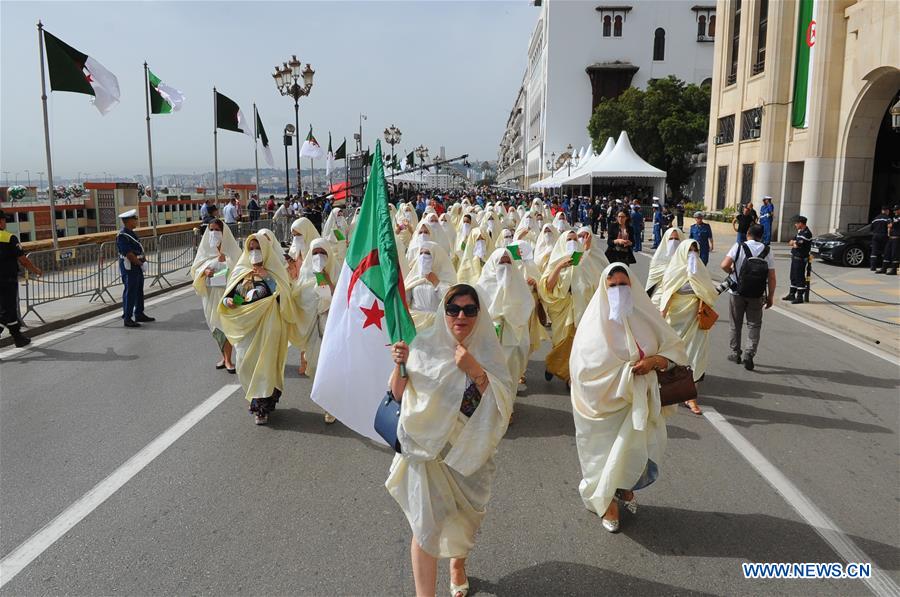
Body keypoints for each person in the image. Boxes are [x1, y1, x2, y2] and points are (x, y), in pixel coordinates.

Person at [385, 284, 513, 597]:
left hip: (470, 456)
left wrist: (476, 371)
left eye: (470, 310)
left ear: (479, 314)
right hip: (426, 455)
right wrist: (399, 364)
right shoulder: (424, 345)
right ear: (444, 312)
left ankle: (458, 564)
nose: (460, 316)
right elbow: (398, 395)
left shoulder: (488, 351)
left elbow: (503, 404)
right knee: (424, 529)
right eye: (453, 309)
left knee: (463, 519)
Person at [569, 263, 688, 533]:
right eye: (613, 286)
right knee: (602, 457)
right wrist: (626, 376)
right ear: (604, 288)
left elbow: (675, 349)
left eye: (624, 285)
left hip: (640, 401)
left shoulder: (647, 317)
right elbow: (583, 371)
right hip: (601, 407)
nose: (619, 291)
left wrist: (655, 361)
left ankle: (622, 487)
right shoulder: (592, 327)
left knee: (634, 452)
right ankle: (606, 502)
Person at [219, 229, 300, 425]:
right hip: (247, 330)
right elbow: (229, 295)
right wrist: (229, 301)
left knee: (264, 368)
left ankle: (261, 407)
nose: (254, 252)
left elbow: (285, 298)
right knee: (246, 366)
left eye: (258, 248)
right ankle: (255, 398)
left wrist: (267, 277)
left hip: (269, 328)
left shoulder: (275, 271)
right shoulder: (241, 271)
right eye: (251, 248)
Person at [658, 240, 718, 414]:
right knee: (674, 359)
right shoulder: (674, 271)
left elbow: (710, 294)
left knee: (695, 358)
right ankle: (668, 391)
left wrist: (701, 290)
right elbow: (667, 294)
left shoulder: (701, 271)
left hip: (696, 322)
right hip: (676, 322)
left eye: (695, 250)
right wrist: (661, 318)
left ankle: (691, 398)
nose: (692, 253)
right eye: (689, 250)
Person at [476, 247, 535, 393]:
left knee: (511, 371)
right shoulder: (482, 286)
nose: (505, 267)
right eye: (501, 263)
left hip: (514, 335)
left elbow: (527, 307)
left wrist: (511, 315)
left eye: (508, 262)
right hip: (489, 335)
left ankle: (508, 402)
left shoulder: (519, 285)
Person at [720, 224, 776, 371]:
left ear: (748, 234)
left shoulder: (739, 246)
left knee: (735, 324)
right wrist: (770, 296)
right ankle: (749, 353)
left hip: (737, 292)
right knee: (754, 325)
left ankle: (735, 352)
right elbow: (772, 277)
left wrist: (732, 271)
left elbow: (724, 265)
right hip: (757, 294)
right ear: (761, 236)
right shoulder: (767, 250)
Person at [190, 218, 241, 372]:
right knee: (215, 326)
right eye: (211, 230)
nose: (213, 233)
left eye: (217, 230)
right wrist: (204, 271)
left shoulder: (232, 251)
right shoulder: (205, 250)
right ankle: (224, 357)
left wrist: (226, 261)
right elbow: (196, 269)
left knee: (226, 325)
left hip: (227, 294)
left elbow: (240, 269)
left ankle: (229, 360)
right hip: (210, 294)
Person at [0, 209, 42, 347]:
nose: (5, 222)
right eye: (4, 219)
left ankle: (18, 338)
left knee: (6, 310)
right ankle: (17, 337)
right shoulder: (8, 237)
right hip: (6, 280)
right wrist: (35, 270)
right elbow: (23, 260)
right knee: (8, 309)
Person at [405, 241, 456, 330]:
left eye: (427, 253)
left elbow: (451, 299)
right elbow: (405, 299)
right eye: (421, 253)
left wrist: (436, 282)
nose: (423, 256)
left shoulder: (446, 276)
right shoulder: (414, 277)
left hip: (438, 325)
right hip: (416, 323)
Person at [116, 210, 155, 328]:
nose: (136, 221)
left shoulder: (131, 233)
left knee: (138, 290)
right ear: (128, 221)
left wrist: (143, 261)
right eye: (135, 219)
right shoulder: (123, 235)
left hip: (137, 265)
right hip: (130, 266)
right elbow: (128, 253)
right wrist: (139, 263)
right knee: (130, 291)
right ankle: (127, 318)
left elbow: (138, 249)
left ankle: (139, 313)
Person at [645, 227, 682, 305]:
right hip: (660, 298)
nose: (673, 242)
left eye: (676, 239)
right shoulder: (657, 259)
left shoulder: (687, 259)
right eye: (670, 239)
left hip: (680, 300)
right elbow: (651, 281)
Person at [783, 215, 812, 304]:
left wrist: (795, 243)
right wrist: (794, 243)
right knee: (793, 276)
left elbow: (798, 244)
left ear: (801, 223)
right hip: (795, 257)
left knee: (799, 277)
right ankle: (792, 294)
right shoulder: (800, 232)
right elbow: (791, 242)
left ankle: (800, 297)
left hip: (800, 258)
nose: (795, 225)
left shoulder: (807, 233)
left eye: (796, 223)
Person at [870, 205, 892, 272]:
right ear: (887, 211)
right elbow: (890, 227)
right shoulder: (888, 219)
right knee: (885, 252)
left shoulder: (875, 219)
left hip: (875, 236)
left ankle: (873, 267)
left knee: (874, 252)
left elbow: (871, 229)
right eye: (888, 211)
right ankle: (884, 267)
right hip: (884, 236)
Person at [883, 205, 900, 275]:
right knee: (886, 252)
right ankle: (884, 268)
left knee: (894, 254)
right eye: (894, 210)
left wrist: (892, 224)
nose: (894, 211)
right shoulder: (893, 218)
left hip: (897, 238)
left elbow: (896, 224)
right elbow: (888, 224)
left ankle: (894, 269)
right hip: (891, 238)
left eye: (896, 210)